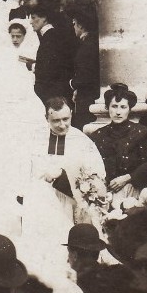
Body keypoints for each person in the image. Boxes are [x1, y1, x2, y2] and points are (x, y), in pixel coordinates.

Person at [23, 98, 106, 250]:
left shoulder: (82, 140)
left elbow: (96, 173)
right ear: (46, 118)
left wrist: (64, 175)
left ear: (71, 115)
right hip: (40, 202)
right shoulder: (35, 139)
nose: (62, 125)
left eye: (66, 119)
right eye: (56, 120)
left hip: (70, 201)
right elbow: (24, 170)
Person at [90, 84, 147, 202]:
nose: (118, 112)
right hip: (104, 192)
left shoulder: (143, 133)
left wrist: (128, 178)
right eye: (114, 106)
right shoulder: (98, 135)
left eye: (123, 107)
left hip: (135, 190)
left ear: (129, 109)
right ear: (107, 108)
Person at [29, 4, 75, 105]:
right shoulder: (50, 36)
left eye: (33, 18)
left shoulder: (50, 37)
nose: (30, 22)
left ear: (44, 18)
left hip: (52, 93)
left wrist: (34, 66)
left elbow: (51, 69)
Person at [68, 4, 100, 129]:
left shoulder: (87, 46)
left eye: (74, 24)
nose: (74, 27)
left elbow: (85, 76)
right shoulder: (90, 43)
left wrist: (72, 83)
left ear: (80, 25)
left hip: (87, 97)